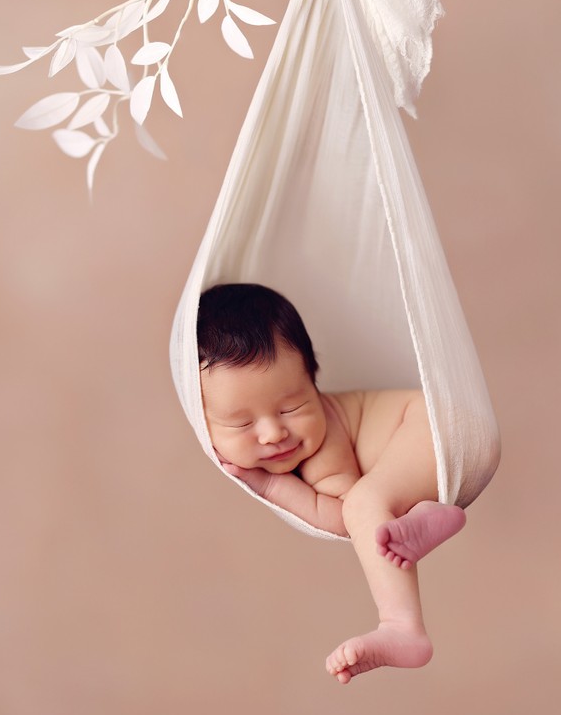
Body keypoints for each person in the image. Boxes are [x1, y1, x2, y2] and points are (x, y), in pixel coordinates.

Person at [197, 283, 471, 684]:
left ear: (315, 384)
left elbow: (346, 518)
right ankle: (427, 514)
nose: (274, 432)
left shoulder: (325, 443)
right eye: (242, 423)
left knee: (363, 504)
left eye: (293, 406)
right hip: (438, 440)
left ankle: (402, 625)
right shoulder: (291, 433)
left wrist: (273, 488)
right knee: (377, 502)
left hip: (439, 428)